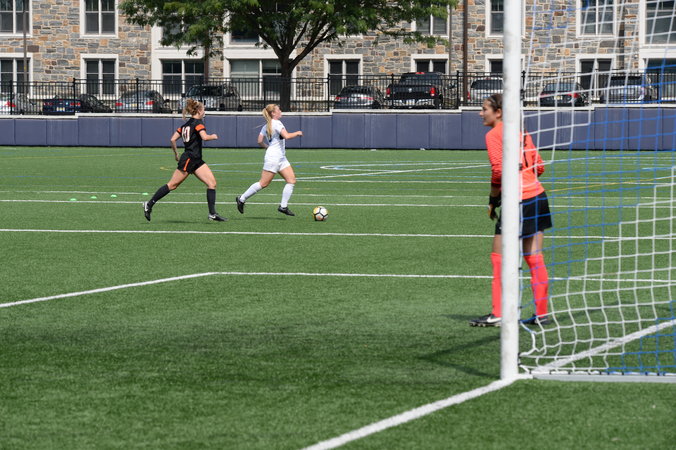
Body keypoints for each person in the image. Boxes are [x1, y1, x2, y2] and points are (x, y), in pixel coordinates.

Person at [470, 93, 552, 327]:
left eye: (484, 109)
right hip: (538, 196)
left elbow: (498, 171)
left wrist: (493, 199)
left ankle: (498, 313)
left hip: (518, 200)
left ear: (499, 112)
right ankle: (542, 313)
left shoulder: (494, 134)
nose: (480, 113)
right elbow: (539, 166)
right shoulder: (521, 131)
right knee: (534, 257)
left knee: (499, 257)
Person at [143, 99, 226, 222]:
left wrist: (176, 154)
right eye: (203, 110)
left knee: (211, 183)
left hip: (196, 160)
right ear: (199, 111)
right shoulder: (198, 123)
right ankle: (149, 204)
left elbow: (172, 139)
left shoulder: (185, 125)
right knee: (172, 185)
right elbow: (204, 137)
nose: (204, 112)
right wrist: (213, 136)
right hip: (189, 160)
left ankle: (212, 214)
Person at [235, 104, 303, 216]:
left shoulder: (267, 125)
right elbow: (286, 136)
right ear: (273, 113)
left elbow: (259, 141)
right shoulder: (277, 123)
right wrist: (297, 133)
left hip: (280, 157)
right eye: (278, 110)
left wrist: (268, 147)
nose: (280, 111)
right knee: (263, 183)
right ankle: (241, 199)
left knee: (291, 180)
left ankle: (283, 206)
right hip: (274, 158)